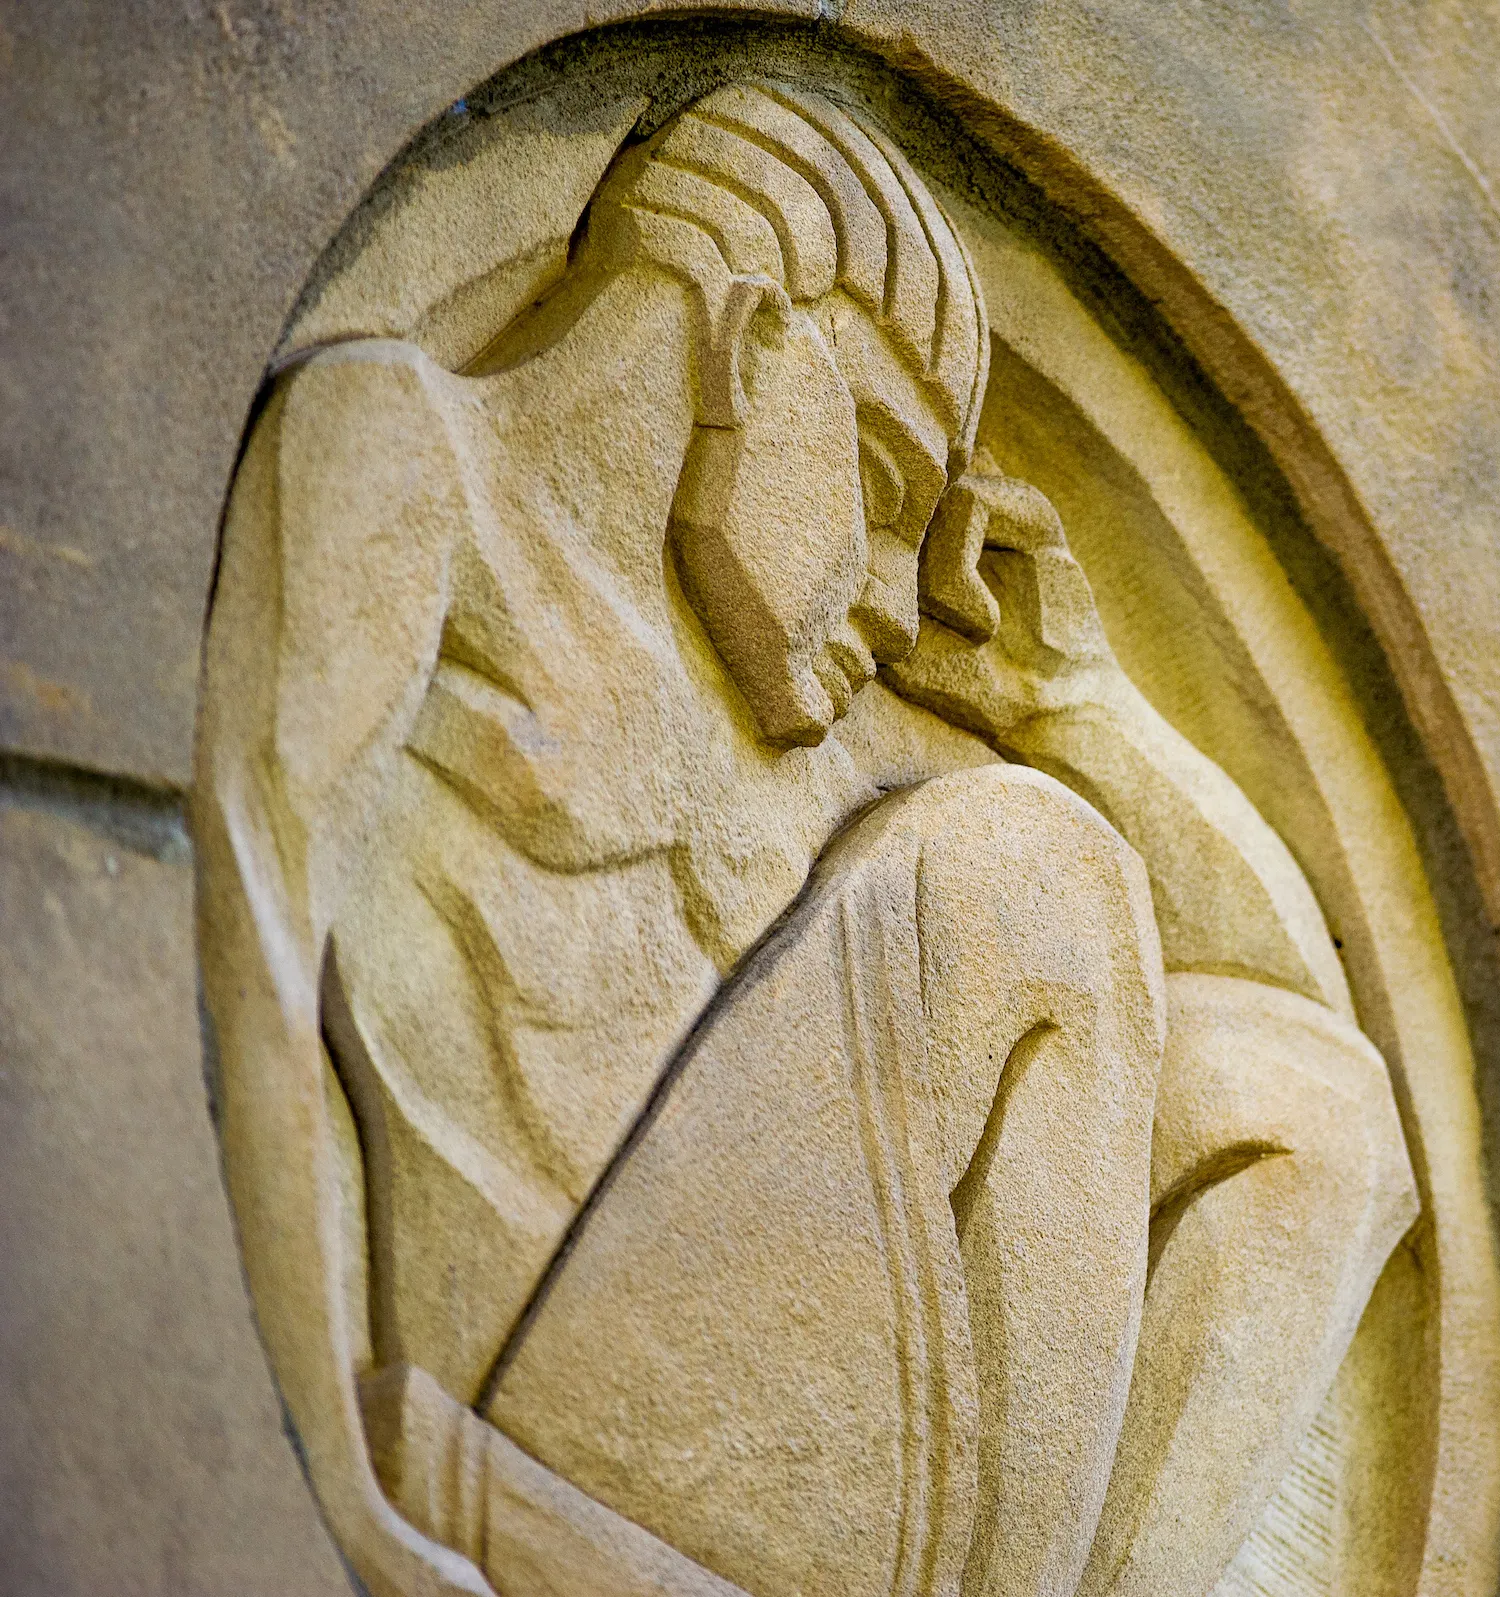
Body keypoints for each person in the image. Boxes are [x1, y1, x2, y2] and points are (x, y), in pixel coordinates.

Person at [196, 81, 1416, 1597]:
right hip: (525, 1401)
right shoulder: (410, 454)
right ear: (750, 342)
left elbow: (1329, 1054)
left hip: (774, 1437)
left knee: (1319, 1108)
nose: (901, 601)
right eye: (887, 484)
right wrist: (333, 1444)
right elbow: (255, 900)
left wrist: (1076, 708)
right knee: (1034, 871)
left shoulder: (801, 727)